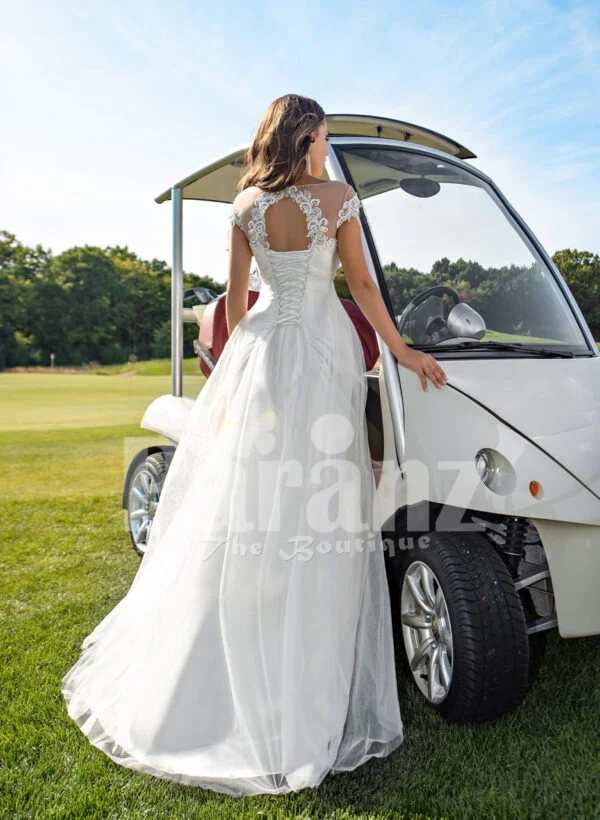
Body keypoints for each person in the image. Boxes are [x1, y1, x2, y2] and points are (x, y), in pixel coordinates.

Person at [60, 94, 448, 796]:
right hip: (324, 351)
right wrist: (402, 349)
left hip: (266, 353)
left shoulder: (242, 207)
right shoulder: (337, 198)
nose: (327, 148)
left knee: (255, 506)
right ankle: (305, 690)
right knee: (318, 507)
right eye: (324, 137)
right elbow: (360, 284)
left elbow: (237, 308)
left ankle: (237, 669)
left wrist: (245, 367)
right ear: (307, 139)